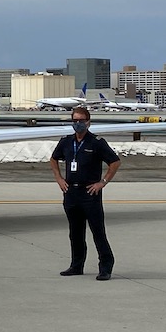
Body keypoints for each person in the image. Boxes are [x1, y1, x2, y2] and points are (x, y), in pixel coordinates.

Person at [48, 106, 122, 280]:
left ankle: (105, 266)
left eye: (81, 120)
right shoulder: (66, 141)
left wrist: (102, 182)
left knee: (98, 232)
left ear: (88, 122)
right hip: (71, 192)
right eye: (75, 121)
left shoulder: (96, 142)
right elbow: (53, 159)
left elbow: (115, 162)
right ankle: (76, 265)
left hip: (90, 193)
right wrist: (59, 178)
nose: (78, 124)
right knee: (75, 232)